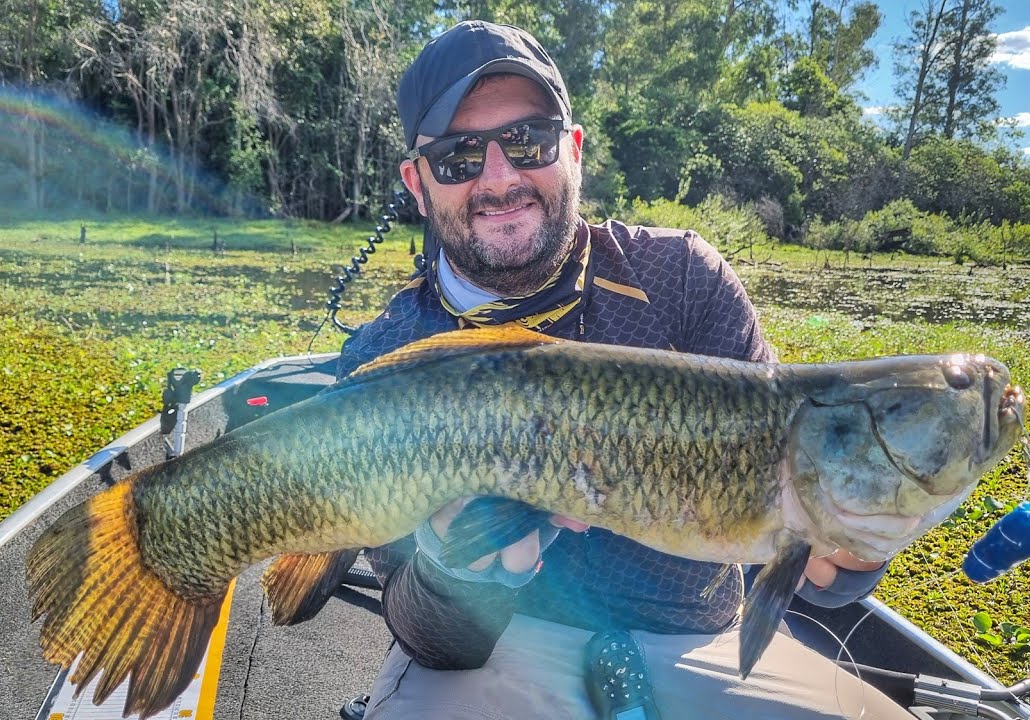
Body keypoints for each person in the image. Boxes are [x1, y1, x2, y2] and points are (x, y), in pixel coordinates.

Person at [337, 20, 916, 720]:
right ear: (417, 182)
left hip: (703, 643)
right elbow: (431, 637)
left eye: (528, 142)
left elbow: (812, 570)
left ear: (573, 150)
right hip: (498, 649)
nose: (499, 178)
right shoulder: (385, 355)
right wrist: (459, 574)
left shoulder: (681, 279)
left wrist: (851, 555)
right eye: (459, 156)